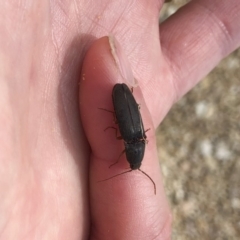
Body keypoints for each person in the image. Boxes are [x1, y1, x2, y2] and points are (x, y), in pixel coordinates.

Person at [1, 1, 239, 239]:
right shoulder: (127, 138)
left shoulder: (139, 137)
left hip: (124, 103)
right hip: (121, 101)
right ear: (131, 150)